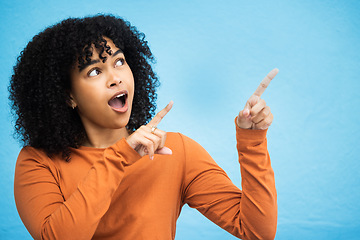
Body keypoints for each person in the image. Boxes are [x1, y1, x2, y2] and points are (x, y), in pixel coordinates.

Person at [9, 14, 277, 240]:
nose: (115, 78)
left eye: (119, 62)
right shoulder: (38, 162)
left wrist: (252, 140)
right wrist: (118, 157)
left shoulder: (175, 151)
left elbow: (257, 231)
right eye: (94, 71)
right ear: (68, 96)